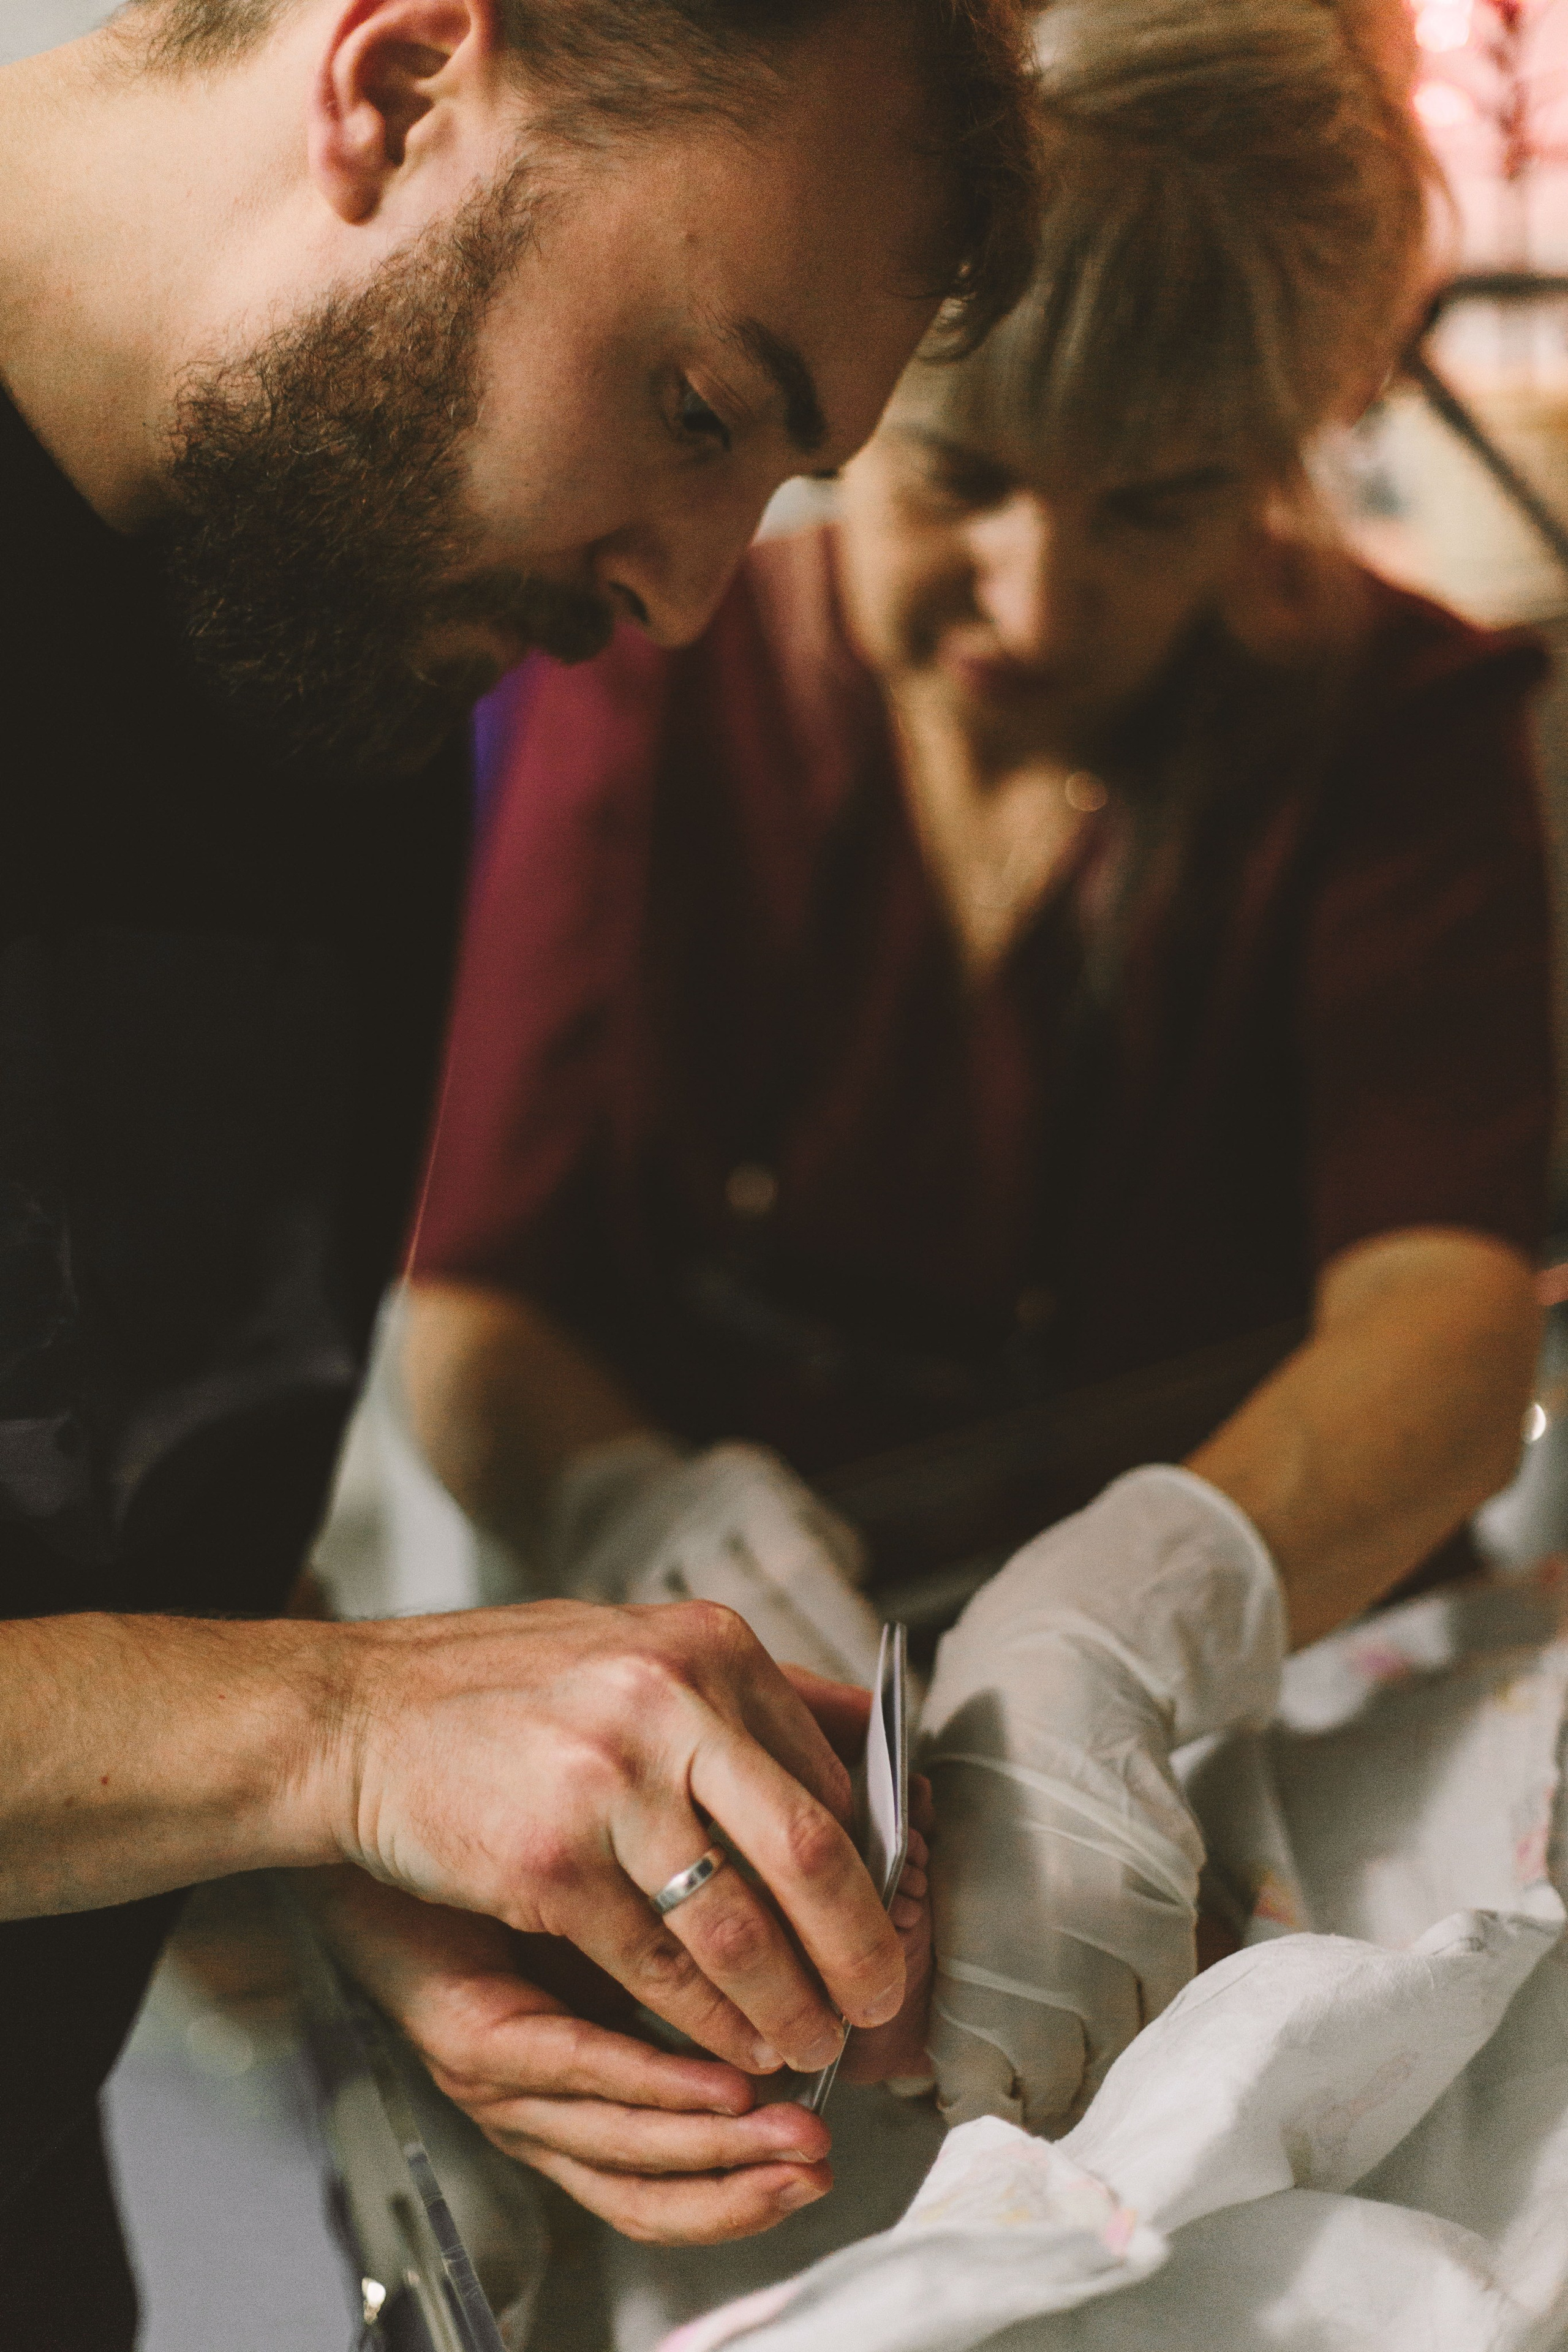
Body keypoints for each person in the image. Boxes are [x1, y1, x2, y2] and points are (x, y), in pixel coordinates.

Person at [403, 0, 1556, 2256]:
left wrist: (1140, 1615)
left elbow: (1449, 1315)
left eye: (1162, 505)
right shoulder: (653, 683)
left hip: (1260, 1741)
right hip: (763, 1794)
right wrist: (637, 1500)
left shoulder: (1402, 734)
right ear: (849, 411)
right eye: (963, 483)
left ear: (1285, 455)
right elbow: (480, 1305)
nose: (1037, 597)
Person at [0, 0, 1040, 2337]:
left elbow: (90, 1497)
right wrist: (340, 1737)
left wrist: (385, 1837)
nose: (687, 595)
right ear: (395, 87)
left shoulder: (329, 612)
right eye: (700, 409)